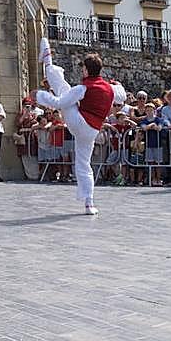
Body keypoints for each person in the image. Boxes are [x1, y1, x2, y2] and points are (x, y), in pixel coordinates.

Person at [35, 42, 122, 214]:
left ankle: (49, 63)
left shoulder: (83, 88)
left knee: (63, 90)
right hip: (92, 131)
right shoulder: (111, 89)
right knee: (84, 164)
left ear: (86, 70)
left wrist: (39, 95)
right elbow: (122, 94)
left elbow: (59, 103)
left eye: (83, 69)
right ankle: (89, 202)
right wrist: (115, 84)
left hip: (79, 122)